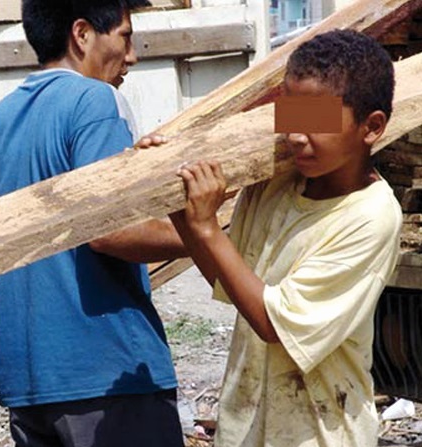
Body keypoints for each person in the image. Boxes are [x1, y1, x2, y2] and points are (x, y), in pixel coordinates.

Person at [170, 29, 401, 446]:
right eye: (291, 116)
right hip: (247, 429)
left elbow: (273, 323)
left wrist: (206, 227)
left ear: (372, 127)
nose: (296, 135)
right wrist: (176, 201)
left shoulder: (371, 215)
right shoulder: (274, 185)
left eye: (317, 120)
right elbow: (231, 281)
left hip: (319, 434)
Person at [0, 0, 190, 446]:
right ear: (82, 34)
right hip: (105, 371)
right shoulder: (96, 99)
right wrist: (204, 233)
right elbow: (110, 231)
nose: (132, 56)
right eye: (126, 37)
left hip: (28, 378)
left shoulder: (0, 118)